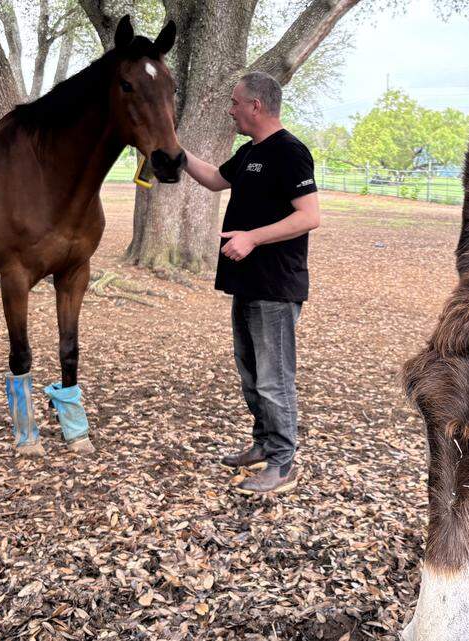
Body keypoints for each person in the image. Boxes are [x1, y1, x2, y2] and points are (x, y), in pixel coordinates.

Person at [180, 71, 320, 495]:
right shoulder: (249, 153)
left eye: (236, 102)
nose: (231, 110)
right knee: (251, 373)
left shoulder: (291, 152)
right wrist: (176, 152)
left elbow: (309, 216)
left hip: (276, 288)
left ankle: (282, 462)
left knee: (273, 378)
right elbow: (215, 179)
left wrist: (252, 238)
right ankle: (263, 443)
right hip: (247, 284)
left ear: (256, 105)